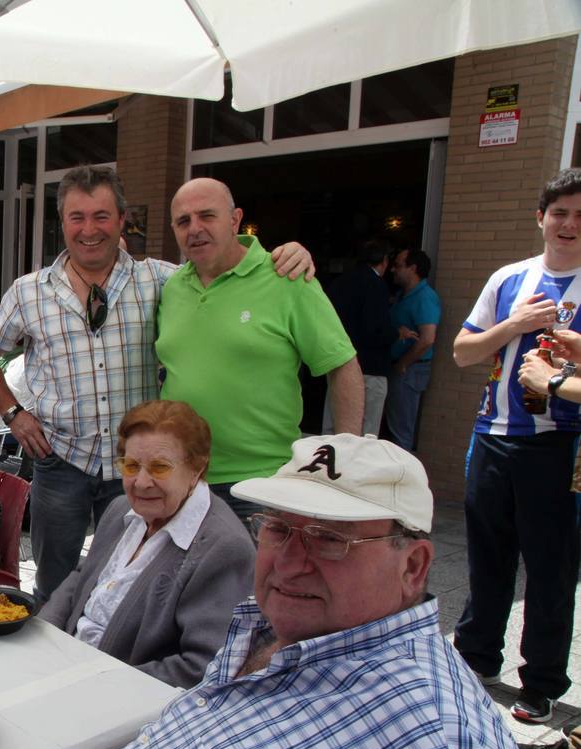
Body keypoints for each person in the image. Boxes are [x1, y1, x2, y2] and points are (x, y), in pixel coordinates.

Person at [3, 434, 546, 749]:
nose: (289, 561)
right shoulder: (282, 631)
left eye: (331, 539)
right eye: (280, 529)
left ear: (414, 566)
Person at [0, 166, 316, 602]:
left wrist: (284, 255)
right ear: (61, 223)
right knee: (54, 582)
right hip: (61, 461)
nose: (89, 229)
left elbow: (226, 268)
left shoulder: (165, 281)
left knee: (136, 581)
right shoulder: (29, 292)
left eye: (101, 216)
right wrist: (14, 414)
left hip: (137, 470)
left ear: (122, 220)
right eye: (76, 217)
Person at [451, 167, 581, 724]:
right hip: (492, 437)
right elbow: (462, 351)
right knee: (487, 557)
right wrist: (514, 324)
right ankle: (476, 658)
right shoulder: (510, 278)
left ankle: (542, 681)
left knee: (551, 569)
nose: (569, 224)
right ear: (541, 218)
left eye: (580, 216)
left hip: (560, 445)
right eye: (560, 213)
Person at [157, 177, 362, 517]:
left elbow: (342, 365)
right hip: (181, 479)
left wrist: (347, 453)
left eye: (207, 216)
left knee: (255, 573)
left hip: (259, 484)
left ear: (235, 219)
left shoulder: (287, 279)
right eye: (183, 221)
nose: (194, 229)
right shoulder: (171, 286)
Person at [38, 400, 254, 688]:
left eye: (160, 467)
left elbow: (201, 667)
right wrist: (43, 638)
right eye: (131, 465)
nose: (141, 482)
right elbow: (81, 579)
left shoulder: (223, 547)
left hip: (125, 699)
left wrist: (96, 681)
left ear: (197, 469)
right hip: (61, 667)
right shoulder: (120, 511)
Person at [323, 239, 394, 435]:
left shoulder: (341, 282)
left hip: (338, 362)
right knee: (366, 432)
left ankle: (326, 464)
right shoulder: (376, 285)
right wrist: (396, 333)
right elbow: (375, 329)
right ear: (384, 261)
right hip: (369, 366)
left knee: (332, 426)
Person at [384, 247, 440, 450]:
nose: (392, 270)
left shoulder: (425, 297)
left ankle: (400, 479)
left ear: (413, 268)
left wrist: (402, 364)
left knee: (401, 431)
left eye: (398, 265)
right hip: (398, 367)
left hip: (409, 370)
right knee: (392, 427)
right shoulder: (402, 295)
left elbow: (427, 339)